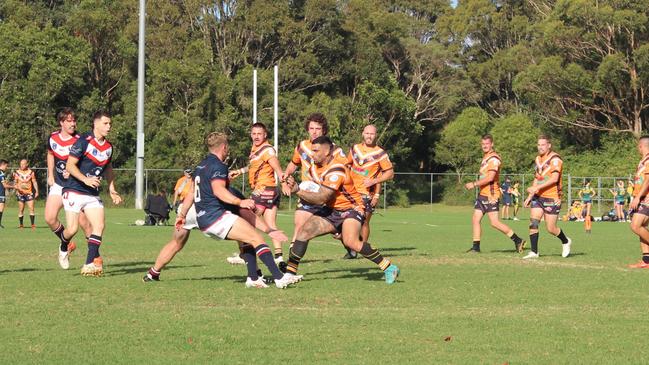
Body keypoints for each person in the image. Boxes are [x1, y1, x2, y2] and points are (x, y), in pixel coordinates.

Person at [162, 132, 298, 288]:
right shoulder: (218, 165)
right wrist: (239, 202)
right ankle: (280, 278)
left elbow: (191, 194)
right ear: (224, 147)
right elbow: (219, 190)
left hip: (204, 219)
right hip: (216, 217)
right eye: (228, 147)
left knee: (248, 238)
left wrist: (182, 215)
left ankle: (253, 278)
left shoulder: (200, 166)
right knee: (256, 239)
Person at [284, 136, 400, 284]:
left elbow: (322, 198)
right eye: (311, 150)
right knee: (303, 232)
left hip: (352, 209)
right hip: (332, 210)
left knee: (351, 241)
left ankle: (389, 267)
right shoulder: (314, 168)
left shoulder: (336, 169)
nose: (312, 154)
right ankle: (289, 274)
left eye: (316, 150)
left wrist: (298, 190)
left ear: (327, 152)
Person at [143, 184, 290, 288]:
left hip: (187, 208)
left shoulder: (204, 173)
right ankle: (256, 275)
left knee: (176, 243)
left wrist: (181, 214)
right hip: (206, 212)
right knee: (249, 236)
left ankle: (152, 273)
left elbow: (191, 194)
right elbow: (249, 215)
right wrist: (268, 229)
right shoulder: (231, 192)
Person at [61, 111, 123, 276]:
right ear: (96, 124)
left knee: (99, 226)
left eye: (110, 124)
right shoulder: (83, 142)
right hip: (74, 189)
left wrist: (112, 190)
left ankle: (89, 264)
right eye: (105, 123)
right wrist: (85, 179)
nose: (109, 127)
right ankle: (63, 244)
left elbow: (108, 169)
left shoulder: (109, 147)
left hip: (91, 194)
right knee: (72, 229)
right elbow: (70, 166)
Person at [281, 113, 345, 248]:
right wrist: (284, 182)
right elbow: (293, 164)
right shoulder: (302, 146)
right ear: (307, 129)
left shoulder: (334, 150)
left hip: (327, 195)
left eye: (318, 129)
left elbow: (344, 170)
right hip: (307, 192)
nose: (314, 132)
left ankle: (346, 238)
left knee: (336, 231)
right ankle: (293, 256)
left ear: (324, 130)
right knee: (299, 223)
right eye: (311, 128)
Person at [229, 122, 285, 264]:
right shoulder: (256, 149)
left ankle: (244, 254)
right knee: (270, 223)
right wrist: (239, 171)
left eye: (259, 134)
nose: (256, 136)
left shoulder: (267, 150)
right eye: (254, 134)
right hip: (271, 190)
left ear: (265, 135)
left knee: (245, 219)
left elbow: (276, 165)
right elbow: (253, 165)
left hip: (264, 189)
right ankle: (279, 257)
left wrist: (283, 180)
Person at [45, 108, 92, 269]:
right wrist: (50, 174)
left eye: (74, 120)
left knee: (85, 224)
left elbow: (86, 162)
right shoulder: (52, 137)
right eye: (69, 121)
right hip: (59, 185)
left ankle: (94, 258)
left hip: (75, 187)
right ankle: (67, 243)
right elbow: (51, 154)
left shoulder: (80, 140)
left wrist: (74, 171)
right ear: (62, 123)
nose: (73, 123)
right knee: (50, 218)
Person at [463, 135, 526, 253]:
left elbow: (490, 177)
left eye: (487, 144)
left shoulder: (494, 159)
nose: (484, 146)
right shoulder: (486, 157)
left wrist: (474, 184)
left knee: (495, 223)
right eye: (483, 144)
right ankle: (476, 247)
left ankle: (518, 240)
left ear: (492, 144)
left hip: (491, 194)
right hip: (483, 194)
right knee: (475, 219)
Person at [344, 124, 394, 259]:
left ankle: (363, 249)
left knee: (364, 222)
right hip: (350, 193)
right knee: (342, 222)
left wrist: (374, 184)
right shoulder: (355, 149)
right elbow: (346, 165)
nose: (369, 136)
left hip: (366, 195)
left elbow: (389, 173)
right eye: (367, 133)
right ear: (362, 134)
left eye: (372, 134)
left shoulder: (380, 153)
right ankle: (352, 248)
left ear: (376, 135)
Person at [523, 135, 572, 259]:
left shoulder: (555, 160)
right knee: (533, 223)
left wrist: (537, 188)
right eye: (538, 145)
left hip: (552, 197)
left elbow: (554, 178)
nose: (540, 147)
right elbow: (537, 178)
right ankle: (534, 252)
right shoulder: (538, 159)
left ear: (549, 145)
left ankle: (566, 241)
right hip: (538, 197)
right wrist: (530, 195)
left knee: (551, 228)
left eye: (543, 145)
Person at [627, 136, 649, 268]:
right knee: (641, 228)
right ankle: (646, 260)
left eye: (638, 146)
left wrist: (637, 197)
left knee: (636, 226)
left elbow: (647, 180)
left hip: (646, 198)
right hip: (641, 198)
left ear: (641, 146)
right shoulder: (643, 160)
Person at [13, 159, 38, 230]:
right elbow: (15, 183)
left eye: (23, 164)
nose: (22, 165)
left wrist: (37, 191)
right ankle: (21, 225)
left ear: (27, 164)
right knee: (21, 210)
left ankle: (32, 225)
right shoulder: (17, 173)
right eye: (21, 164)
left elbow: (34, 182)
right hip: (20, 194)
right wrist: (17, 188)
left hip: (29, 193)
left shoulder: (31, 172)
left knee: (31, 209)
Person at [0, 159, 13, 228]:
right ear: (2, 165)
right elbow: (5, 185)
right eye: (6, 166)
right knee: (1, 209)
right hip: (0, 194)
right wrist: (15, 186)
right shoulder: (1, 173)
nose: (7, 168)